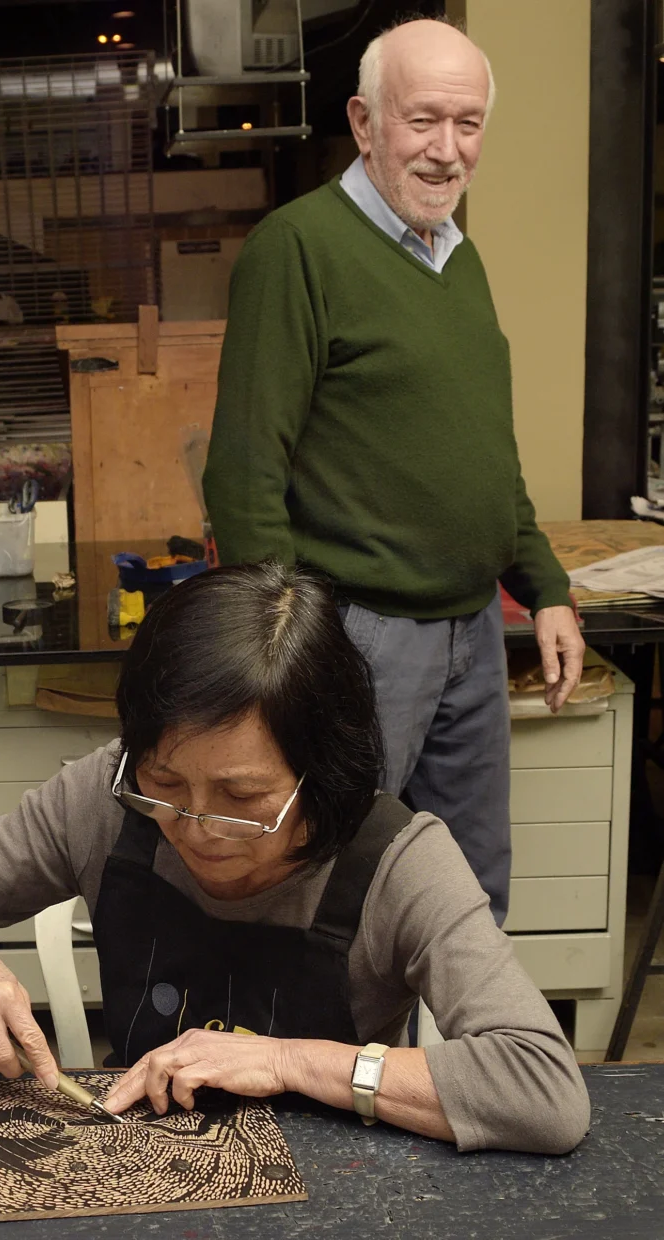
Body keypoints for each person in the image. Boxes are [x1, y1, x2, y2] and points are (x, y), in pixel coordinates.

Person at [0, 563, 589, 1155]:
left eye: (240, 795)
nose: (195, 826)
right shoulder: (105, 795)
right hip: (141, 1166)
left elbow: (542, 1090)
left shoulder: (397, 860)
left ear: (320, 769)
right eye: (166, 782)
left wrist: (287, 1061)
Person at [202, 17, 585, 927]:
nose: (447, 151)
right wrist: (284, 659)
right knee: (331, 895)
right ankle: (312, 1072)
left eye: (468, 123)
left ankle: (455, 1072)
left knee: (466, 898)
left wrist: (546, 587)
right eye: (422, 121)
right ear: (364, 121)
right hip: (358, 640)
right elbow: (244, 472)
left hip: (472, 635)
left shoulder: (458, 255)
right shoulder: (296, 249)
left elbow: (487, 456)